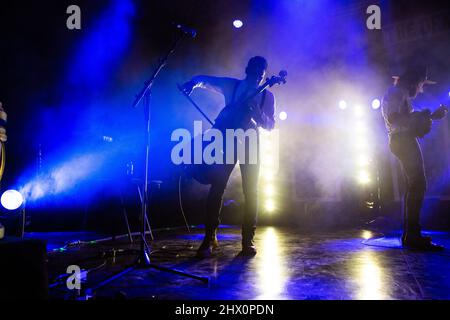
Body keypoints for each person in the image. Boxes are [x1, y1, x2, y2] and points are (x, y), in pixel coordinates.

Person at [181, 56, 276, 257]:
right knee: (217, 188)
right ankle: (210, 238)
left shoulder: (267, 96)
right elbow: (207, 80)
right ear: (247, 70)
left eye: (262, 73)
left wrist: (259, 115)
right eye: (255, 71)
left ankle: (247, 241)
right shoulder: (232, 85)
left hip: (250, 141)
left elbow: (270, 125)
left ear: (265, 75)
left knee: (251, 191)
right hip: (226, 140)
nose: (258, 76)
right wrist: (193, 83)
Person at [381, 64, 448, 250]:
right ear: (414, 81)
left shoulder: (398, 93)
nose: (422, 88)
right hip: (402, 140)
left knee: (415, 184)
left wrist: (430, 117)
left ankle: (411, 234)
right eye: (421, 83)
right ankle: (412, 235)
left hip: (403, 139)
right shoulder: (396, 93)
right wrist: (425, 117)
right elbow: (395, 118)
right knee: (418, 184)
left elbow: (405, 120)